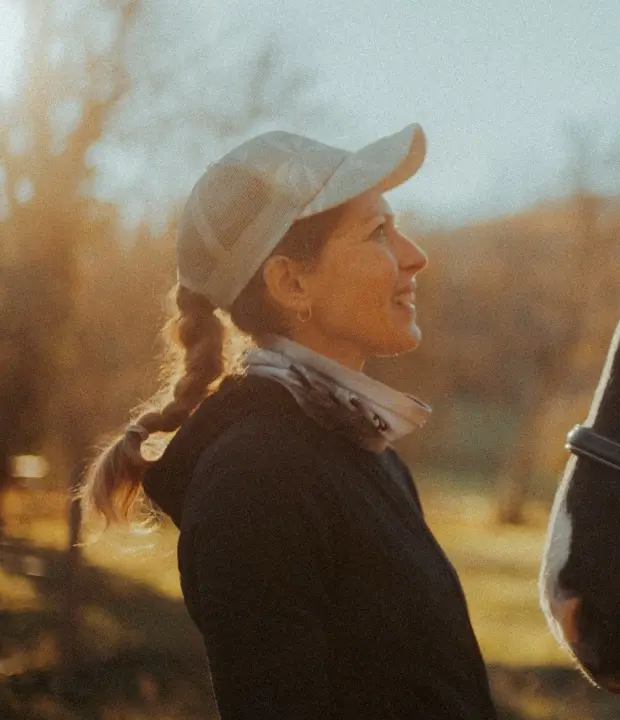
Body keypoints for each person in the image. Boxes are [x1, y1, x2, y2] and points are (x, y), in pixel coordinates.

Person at [77, 124, 498, 719]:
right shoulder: (255, 479)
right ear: (291, 283)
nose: (414, 255)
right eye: (378, 232)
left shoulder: (360, 451)